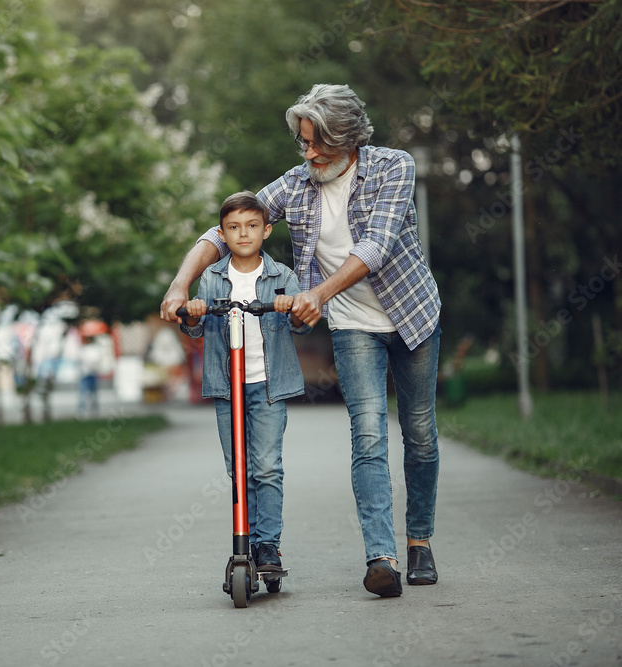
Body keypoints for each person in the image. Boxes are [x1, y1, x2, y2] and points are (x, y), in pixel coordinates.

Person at [161, 84, 442, 598]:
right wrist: (181, 283)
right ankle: (382, 557)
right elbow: (224, 229)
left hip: (412, 316)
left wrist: (317, 293)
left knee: (419, 435)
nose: (308, 153)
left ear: (349, 139)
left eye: (317, 144)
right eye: (303, 143)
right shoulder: (298, 184)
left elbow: (376, 245)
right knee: (370, 435)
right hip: (354, 323)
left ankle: (419, 538)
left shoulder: (392, 167)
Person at [178, 190, 310, 574]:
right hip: (227, 387)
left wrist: (293, 309)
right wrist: (194, 311)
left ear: (267, 230)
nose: (244, 234)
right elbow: (196, 328)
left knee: (267, 466)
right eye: (233, 228)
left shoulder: (282, 276)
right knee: (239, 469)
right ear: (222, 233)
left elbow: (301, 327)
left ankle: (268, 545)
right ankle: (246, 542)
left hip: (269, 385)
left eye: (252, 226)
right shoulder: (212, 277)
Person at [77, 335, 101, 417]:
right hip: (85, 373)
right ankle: (82, 410)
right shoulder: (83, 349)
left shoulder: (94, 349)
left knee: (93, 393)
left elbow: (96, 360)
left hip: (92, 373)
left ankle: (94, 411)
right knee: (83, 394)